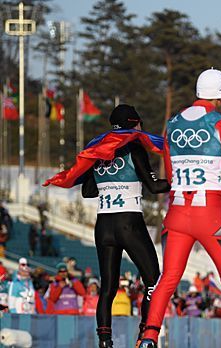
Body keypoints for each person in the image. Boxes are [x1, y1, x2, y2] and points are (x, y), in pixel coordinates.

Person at [139, 68, 221, 348]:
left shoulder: (174, 123)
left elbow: (167, 172)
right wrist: (219, 173)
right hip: (211, 214)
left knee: (168, 279)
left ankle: (148, 337)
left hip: (177, 211)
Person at [43, 104, 169, 347]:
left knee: (108, 288)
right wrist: (182, 182)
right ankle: (146, 336)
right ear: (134, 124)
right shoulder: (134, 147)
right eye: (139, 124)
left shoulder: (99, 150)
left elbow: (89, 191)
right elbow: (154, 187)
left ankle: (104, 341)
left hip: (104, 226)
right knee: (154, 281)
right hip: (128, 223)